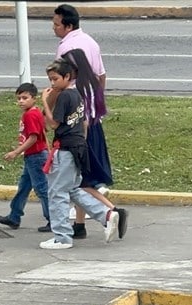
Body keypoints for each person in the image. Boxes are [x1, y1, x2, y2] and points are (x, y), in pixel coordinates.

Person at [52, 4, 126, 238]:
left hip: (76, 124)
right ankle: (80, 225)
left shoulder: (68, 49)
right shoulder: (90, 42)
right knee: (82, 175)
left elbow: (58, 84)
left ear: (68, 25)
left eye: (56, 24)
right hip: (92, 116)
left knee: (80, 178)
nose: (54, 28)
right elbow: (101, 76)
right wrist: (95, 104)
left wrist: (49, 103)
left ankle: (111, 211)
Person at [39, 59, 120, 249]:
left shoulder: (64, 96)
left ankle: (62, 237)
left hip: (66, 148)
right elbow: (83, 123)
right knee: (74, 188)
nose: (52, 83)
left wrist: (44, 101)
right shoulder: (78, 96)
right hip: (78, 146)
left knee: (57, 192)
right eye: (50, 79)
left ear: (67, 77)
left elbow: (53, 124)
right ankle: (105, 214)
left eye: (55, 79)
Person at [61, 49, 128, 239]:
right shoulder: (92, 84)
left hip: (84, 134)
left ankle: (113, 210)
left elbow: (81, 120)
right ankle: (79, 225)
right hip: (95, 130)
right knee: (84, 179)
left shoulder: (75, 90)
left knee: (81, 182)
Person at [0, 83, 51, 233]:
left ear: (34, 98)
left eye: (25, 98)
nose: (21, 101)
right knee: (24, 187)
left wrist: (16, 152)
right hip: (33, 156)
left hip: (36, 156)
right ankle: (14, 216)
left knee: (41, 188)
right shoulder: (35, 112)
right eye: (19, 98)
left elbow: (33, 137)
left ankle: (53, 219)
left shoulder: (30, 115)